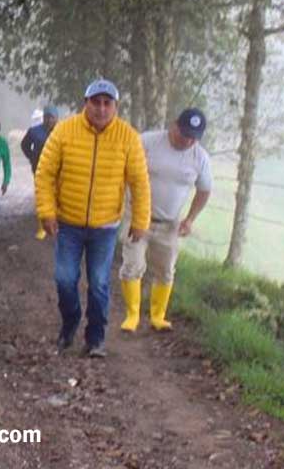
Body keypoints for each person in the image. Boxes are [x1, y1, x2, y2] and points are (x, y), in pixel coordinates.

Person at [35, 79, 150, 358]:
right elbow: (45, 173)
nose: (101, 109)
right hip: (68, 223)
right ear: (85, 103)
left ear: (115, 107)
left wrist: (140, 221)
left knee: (99, 283)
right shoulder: (65, 130)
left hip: (105, 226)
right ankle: (70, 322)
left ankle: (96, 338)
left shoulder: (128, 137)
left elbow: (139, 182)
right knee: (65, 279)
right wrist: (46, 212)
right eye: (95, 102)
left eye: (107, 103)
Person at [120, 108, 212, 333]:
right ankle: (132, 315)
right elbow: (123, 169)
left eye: (193, 137)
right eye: (184, 134)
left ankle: (158, 317)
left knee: (166, 269)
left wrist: (190, 219)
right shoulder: (147, 141)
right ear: (174, 125)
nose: (187, 141)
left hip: (170, 224)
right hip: (137, 217)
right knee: (133, 264)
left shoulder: (200, 158)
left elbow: (204, 190)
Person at [21, 106, 58, 175]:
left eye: (52, 117)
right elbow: (24, 145)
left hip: (57, 168)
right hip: (39, 167)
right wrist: (32, 157)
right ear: (43, 118)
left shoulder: (62, 131)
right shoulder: (34, 131)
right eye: (47, 117)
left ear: (57, 118)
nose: (49, 120)